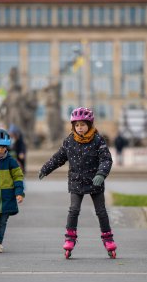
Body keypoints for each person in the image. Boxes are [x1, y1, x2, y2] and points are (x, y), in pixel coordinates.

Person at [39, 107, 117, 259]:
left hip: (95, 181)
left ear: (89, 124)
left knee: (101, 211)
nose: (80, 128)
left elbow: (106, 159)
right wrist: (46, 168)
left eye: (83, 124)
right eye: (77, 125)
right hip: (76, 182)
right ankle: (70, 238)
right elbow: (59, 157)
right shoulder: (69, 141)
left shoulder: (98, 140)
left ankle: (108, 239)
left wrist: (101, 174)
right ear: (73, 126)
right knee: (73, 210)